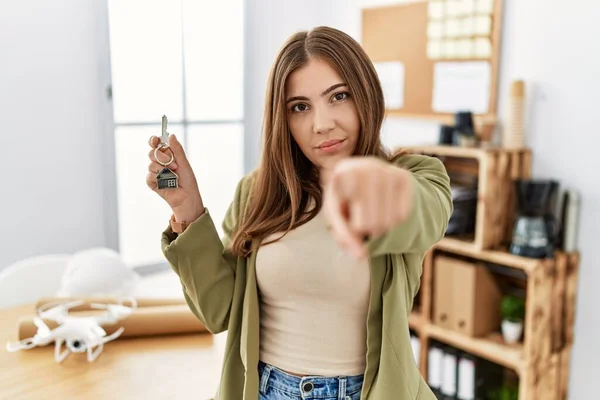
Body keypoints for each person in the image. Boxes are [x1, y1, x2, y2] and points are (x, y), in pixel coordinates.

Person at [147, 26, 452, 400]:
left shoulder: (415, 176)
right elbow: (220, 311)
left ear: (366, 95)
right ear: (284, 118)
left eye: (339, 96)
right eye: (300, 107)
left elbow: (426, 214)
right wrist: (186, 208)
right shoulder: (257, 192)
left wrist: (372, 184)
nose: (321, 124)